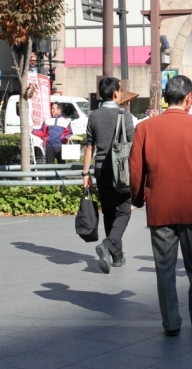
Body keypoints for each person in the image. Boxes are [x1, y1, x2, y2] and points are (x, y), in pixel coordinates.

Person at [129, 74, 192, 337]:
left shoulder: (145, 129)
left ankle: (171, 322)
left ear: (164, 98)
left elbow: (136, 170)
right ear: (187, 100)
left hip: (160, 206)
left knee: (164, 268)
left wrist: (138, 199)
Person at [81, 76, 134, 274]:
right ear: (115, 94)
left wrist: (86, 173)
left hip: (100, 169)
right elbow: (133, 141)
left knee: (109, 212)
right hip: (121, 170)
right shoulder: (124, 115)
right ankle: (108, 244)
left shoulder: (93, 116)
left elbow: (89, 147)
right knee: (123, 211)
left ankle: (118, 257)